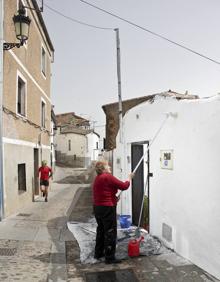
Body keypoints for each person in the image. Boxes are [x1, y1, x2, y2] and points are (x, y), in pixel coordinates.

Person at [92, 161, 134, 264]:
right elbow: (124, 186)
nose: (109, 166)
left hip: (98, 208)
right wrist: (129, 178)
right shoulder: (107, 176)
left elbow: (104, 192)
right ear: (103, 168)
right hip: (107, 208)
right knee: (110, 232)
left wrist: (114, 198)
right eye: (107, 165)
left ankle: (98, 253)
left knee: (101, 230)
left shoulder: (97, 178)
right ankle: (109, 257)